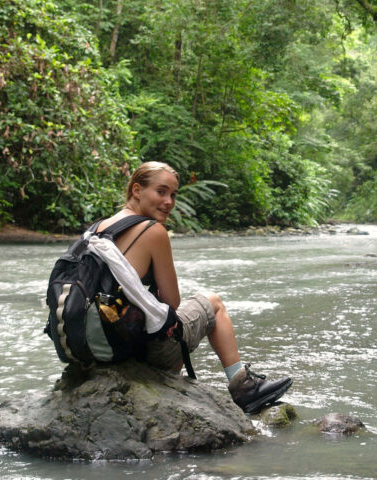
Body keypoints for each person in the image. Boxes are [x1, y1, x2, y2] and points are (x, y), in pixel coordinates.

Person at [96, 161, 292, 413]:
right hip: (138, 352)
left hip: (102, 350)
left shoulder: (99, 229)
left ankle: (171, 385)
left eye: (173, 194)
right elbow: (172, 304)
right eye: (161, 191)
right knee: (213, 303)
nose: (169, 201)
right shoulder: (152, 230)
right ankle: (243, 386)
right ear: (136, 190)